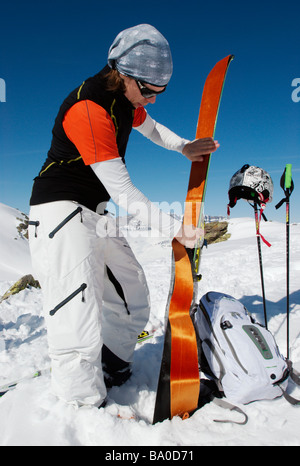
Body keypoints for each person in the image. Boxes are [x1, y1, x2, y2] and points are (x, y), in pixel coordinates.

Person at [28, 24, 220, 409]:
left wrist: (184, 147)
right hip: (59, 213)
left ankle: (113, 367)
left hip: (95, 212)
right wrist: (175, 228)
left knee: (131, 297)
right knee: (76, 315)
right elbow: (124, 192)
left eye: (158, 94)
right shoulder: (90, 107)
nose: (151, 102)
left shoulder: (126, 100)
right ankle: (83, 410)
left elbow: (151, 129)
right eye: (148, 92)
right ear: (124, 72)